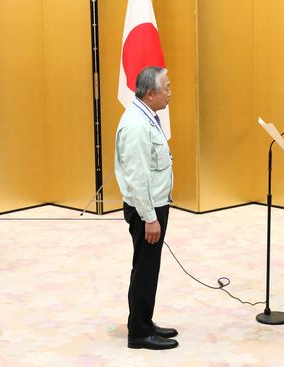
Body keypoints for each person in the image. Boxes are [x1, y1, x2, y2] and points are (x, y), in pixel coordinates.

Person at [115, 66, 178, 350]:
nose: (169, 93)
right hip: (146, 210)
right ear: (150, 93)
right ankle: (139, 333)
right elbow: (137, 177)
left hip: (154, 206)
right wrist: (150, 218)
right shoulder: (136, 126)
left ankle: (144, 321)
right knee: (144, 268)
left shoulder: (146, 116)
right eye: (165, 88)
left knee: (149, 268)